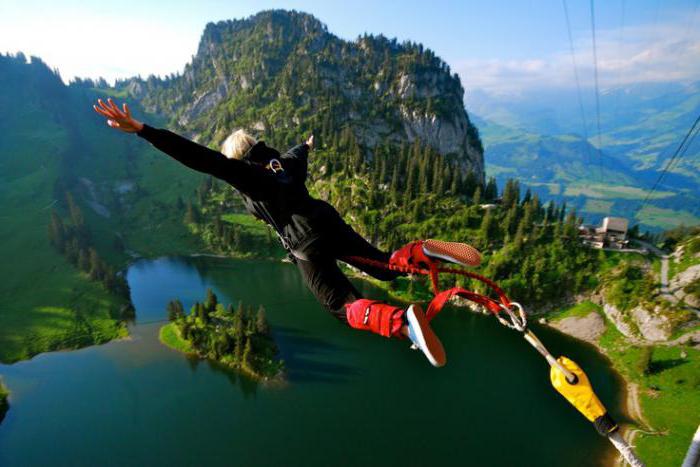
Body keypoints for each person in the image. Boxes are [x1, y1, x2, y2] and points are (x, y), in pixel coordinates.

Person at [93, 98, 482, 367]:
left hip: (305, 244)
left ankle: (403, 324)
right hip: (326, 218)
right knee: (382, 265)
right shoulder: (283, 162)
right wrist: (307, 144)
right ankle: (422, 253)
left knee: (340, 305)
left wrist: (143, 130)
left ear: (236, 158)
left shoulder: (247, 175)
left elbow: (199, 158)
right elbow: (299, 151)